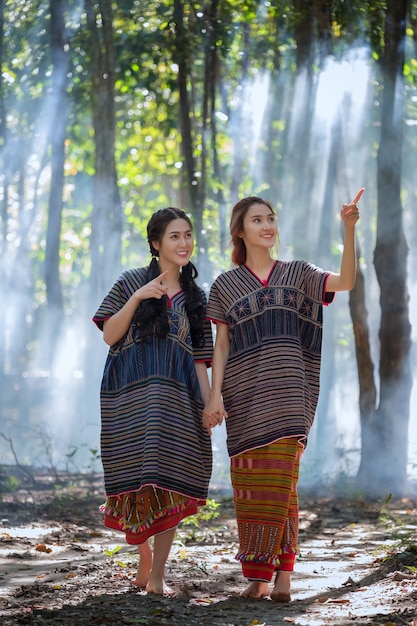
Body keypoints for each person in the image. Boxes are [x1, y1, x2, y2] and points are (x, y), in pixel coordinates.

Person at [203, 189, 364, 602]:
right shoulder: (224, 285)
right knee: (256, 488)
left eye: (271, 217)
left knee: (281, 480)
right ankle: (264, 577)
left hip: (292, 394)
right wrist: (214, 396)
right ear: (240, 231)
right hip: (244, 400)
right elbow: (221, 346)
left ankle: (278, 578)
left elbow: (345, 281)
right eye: (257, 220)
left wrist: (348, 229)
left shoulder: (299, 273)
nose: (268, 225)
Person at [93, 207, 213, 596]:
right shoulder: (129, 281)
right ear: (156, 243)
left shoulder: (197, 299)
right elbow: (110, 335)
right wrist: (140, 296)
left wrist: (210, 402)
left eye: (188, 235)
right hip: (128, 397)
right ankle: (143, 553)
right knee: (132, 480)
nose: (184, 243)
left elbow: (199, 360)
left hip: (177, 404)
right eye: (175, 236)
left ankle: (158, 573)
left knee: (171, 483)